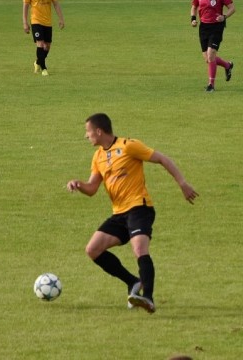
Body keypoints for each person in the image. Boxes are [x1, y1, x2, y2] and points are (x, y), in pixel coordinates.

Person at [66, 113, 198, 314]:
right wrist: (79, 185)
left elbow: (162, 158)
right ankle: (133, 282)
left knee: (139, 249)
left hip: (139, 208)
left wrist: (182, 183)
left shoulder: (128, 146)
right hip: (119, 214)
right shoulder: (98, 156)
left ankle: (148, 298)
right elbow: (92, 188)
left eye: (88, 132)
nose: (87, 136)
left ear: (99, 131)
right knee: (92, 250)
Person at [190, 0, 235, 92]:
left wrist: (224, 16)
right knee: (208, 59)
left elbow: (232, 7)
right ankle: (227, 65)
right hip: (203, 27)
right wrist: (193, 19)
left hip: (216, 27)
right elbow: (194, 7)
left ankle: (211, 85)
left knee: (211, 55)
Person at [22, 0, 65, 75]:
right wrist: (25, 22)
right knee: (40, 44)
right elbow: (25, 6)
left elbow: (56, 4)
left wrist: (61, 19)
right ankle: (44, 68)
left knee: (47, 46)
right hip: (36, 20)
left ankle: (37, 62)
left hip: (47, 21)